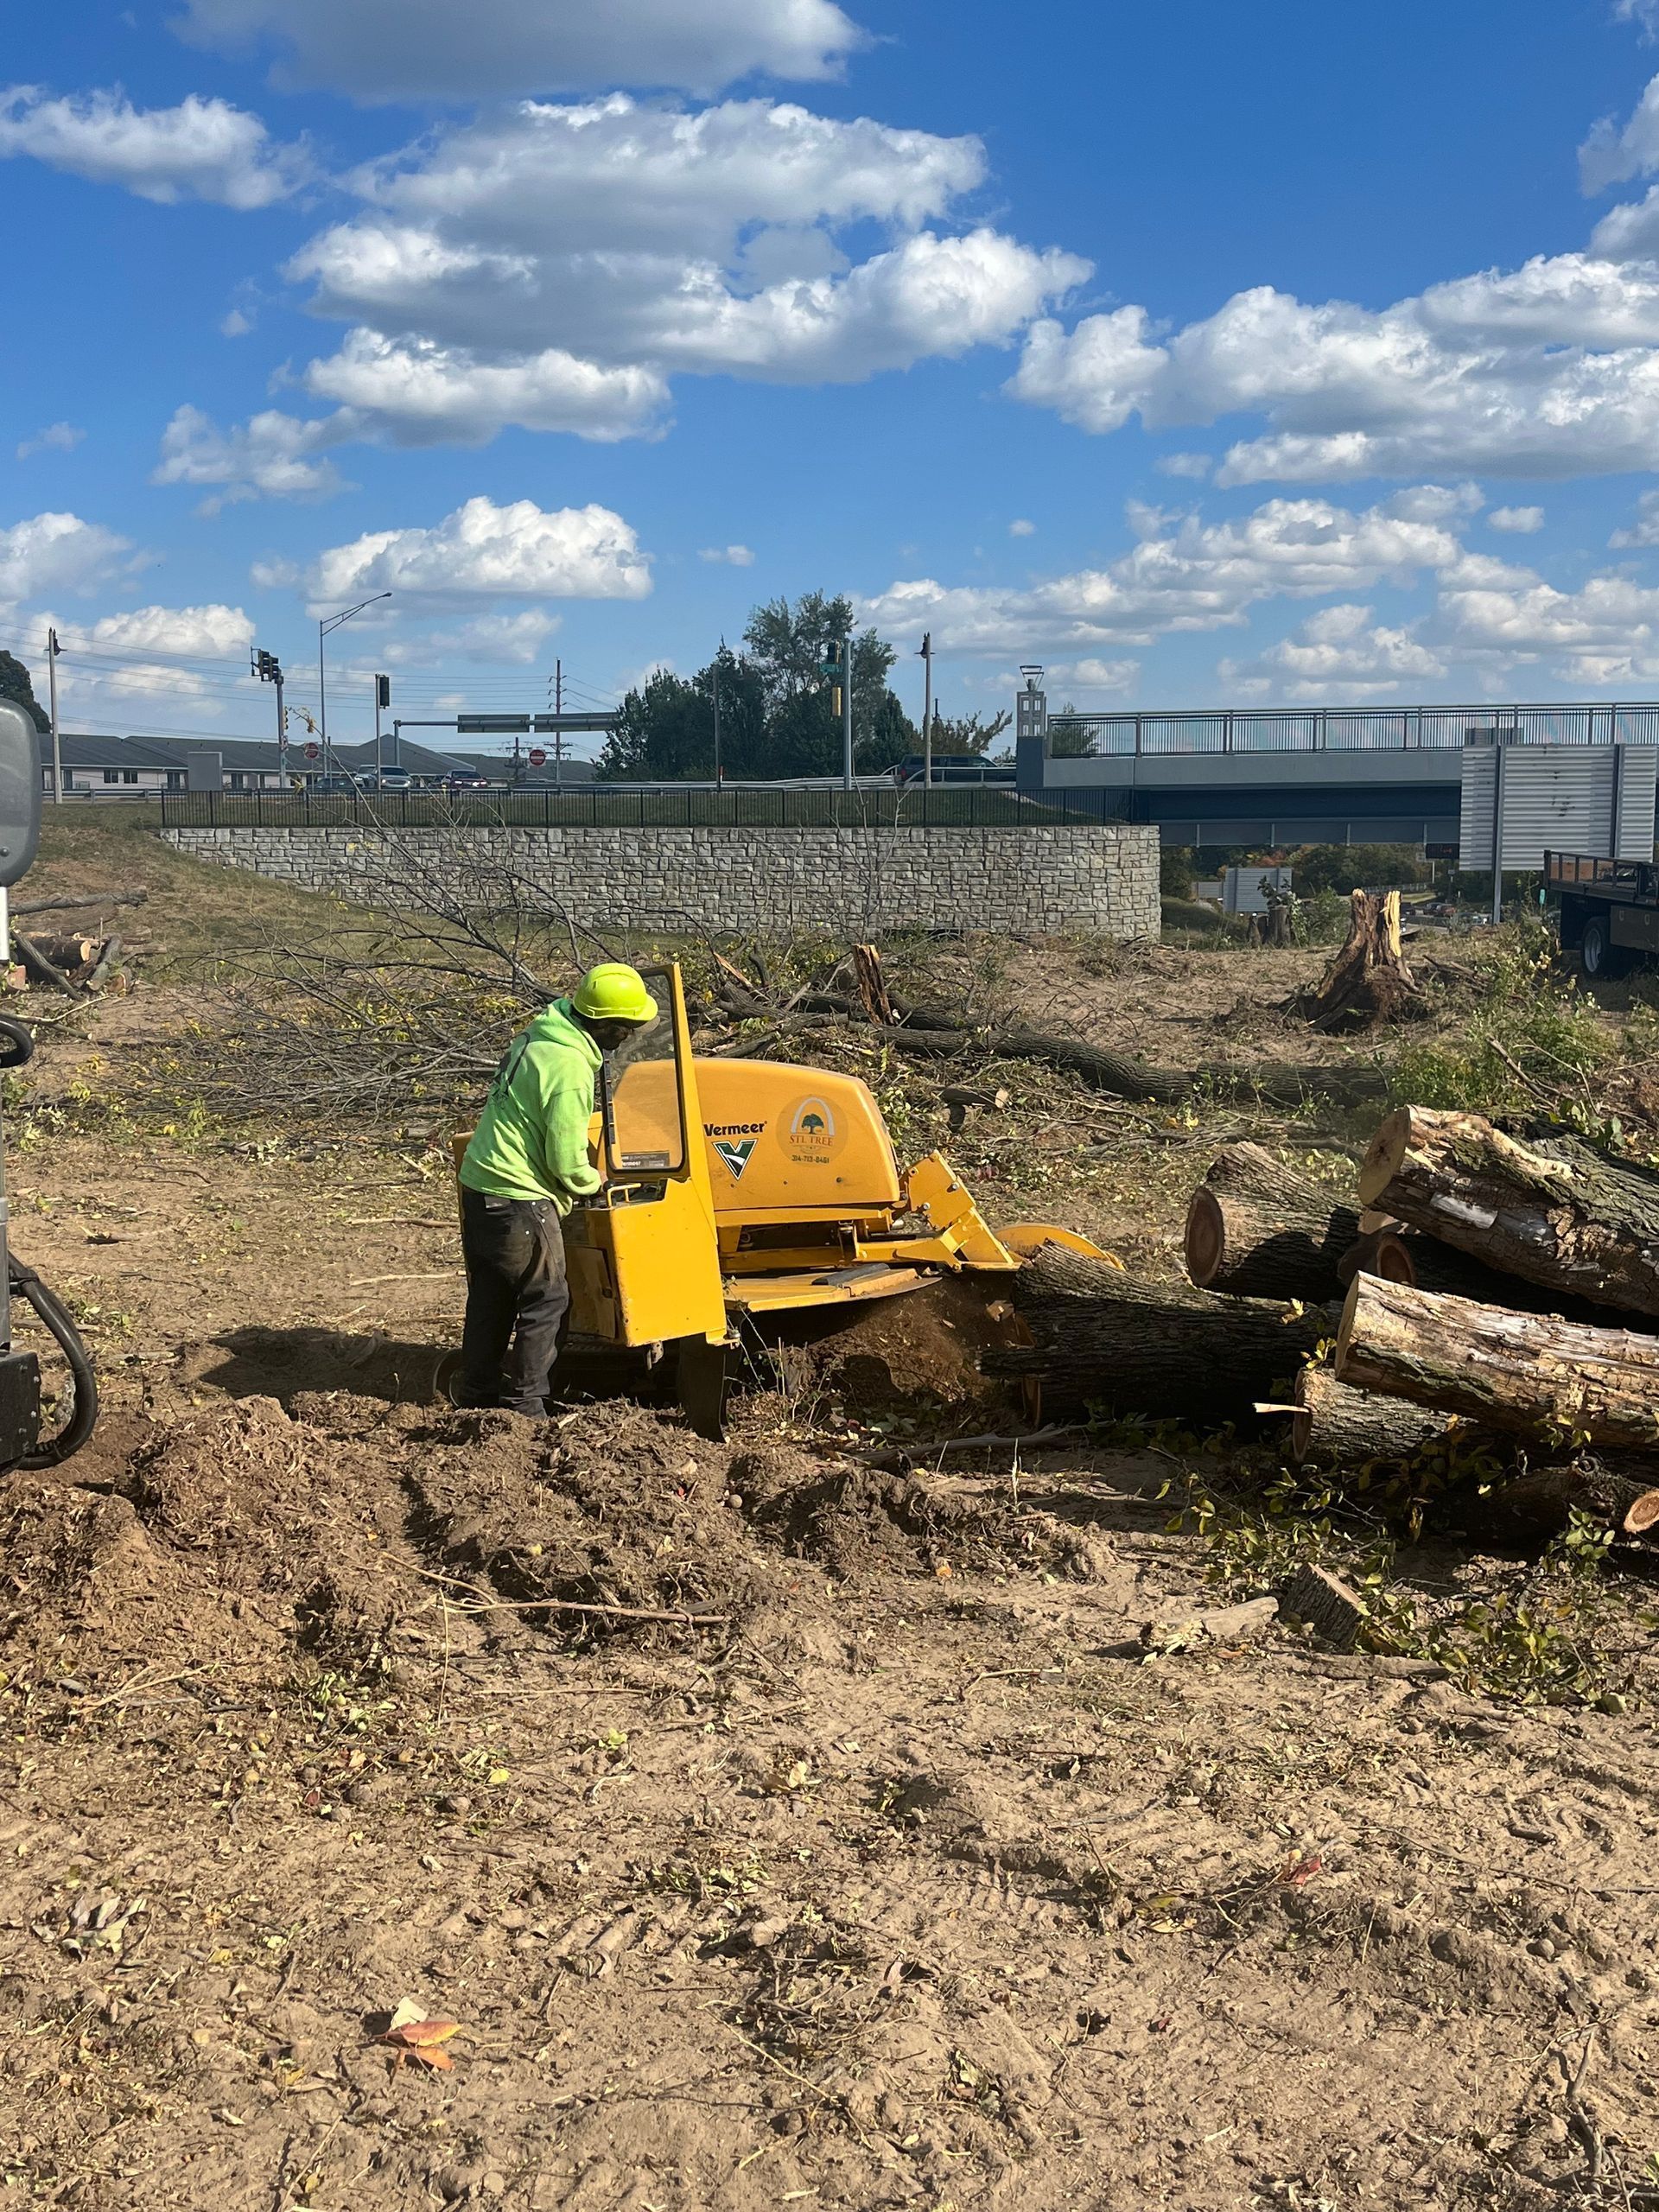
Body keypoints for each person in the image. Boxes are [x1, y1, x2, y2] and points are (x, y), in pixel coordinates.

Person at [454, 962, 658, 1415]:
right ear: (604, 1024)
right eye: (625, 1029)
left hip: (480, 1185)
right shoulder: (569, 1067)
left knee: (492, 1297)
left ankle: (476, 1396)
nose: (626, 1037)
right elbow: (565, 1159)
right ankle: (526, 1407)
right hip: (518, 1195)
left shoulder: (540, 1036)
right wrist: (593, 1182)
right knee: (547, 1300)